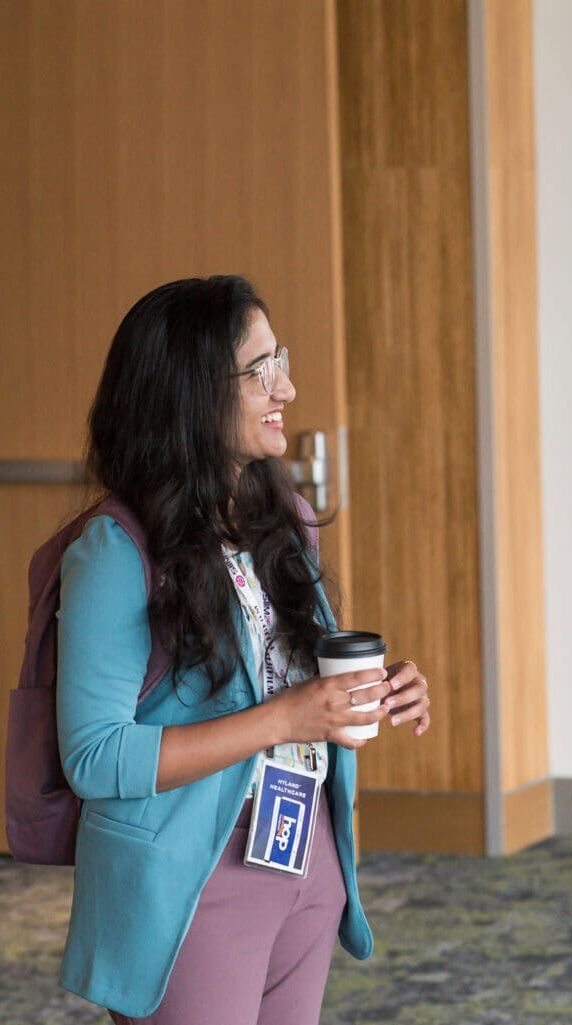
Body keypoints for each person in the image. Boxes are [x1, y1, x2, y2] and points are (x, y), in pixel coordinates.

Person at [56, 275, 431, 1024]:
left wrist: (374, 687)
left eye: (279, 360)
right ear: (191, 391)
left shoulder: (282, 513)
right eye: (259, 371)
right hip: (192, 874)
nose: (284, 386)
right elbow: (94, 757)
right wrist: (284, 720)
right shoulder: (115, 547)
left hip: (303, 850)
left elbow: (279, 676)